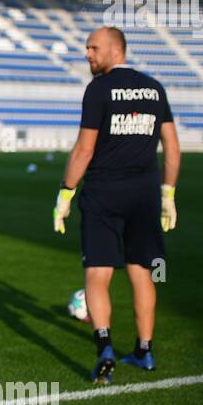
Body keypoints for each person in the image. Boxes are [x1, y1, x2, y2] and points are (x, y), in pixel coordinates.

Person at [53, 26, 181, 386]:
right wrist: (168, 193)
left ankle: (105, 348)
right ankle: (144, 350)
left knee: (97, 273)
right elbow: (172, 146)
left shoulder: (99, 89)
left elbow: (84, 149)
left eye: (93, 48)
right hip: (144, 195)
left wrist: (65, 193)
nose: (87, 54)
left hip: (103, 193)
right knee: (142, 271)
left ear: (115, 49)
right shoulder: (155, 88)